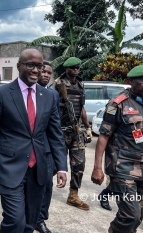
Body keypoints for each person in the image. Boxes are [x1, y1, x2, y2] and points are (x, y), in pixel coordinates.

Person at [0, 49, 67, 233]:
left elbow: (55, 134)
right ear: (19, 66)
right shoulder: (2, 94)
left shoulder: (49, 96)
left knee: (30, 222)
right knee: (15, 220)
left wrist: (62, 166)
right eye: (31, 65)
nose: (36, 70)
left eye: (39, 66)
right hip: (9, 167)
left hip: (38, 169)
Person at [91, 64, 143, 233]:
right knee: (131, 215)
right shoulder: (116, 104)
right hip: (122, 168)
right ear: (130, 81)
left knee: (138, 216)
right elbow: (104, 136)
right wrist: (97, 167)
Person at [55, 57, 92, 211]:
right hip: (60, 130)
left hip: (76, 131)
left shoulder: (81, 84)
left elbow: (82, 108)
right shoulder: (58, 84)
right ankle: (38, 190)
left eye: (78, 67)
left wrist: (87, 127)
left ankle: (73, 195)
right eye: (73, 67)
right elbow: (51, 105)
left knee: (79, 164)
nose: (76, 69)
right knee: (53, 165)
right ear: (66, 69)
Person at [35, 61, 55, 233]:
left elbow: (55, 129)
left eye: (49, 72)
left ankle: (40, 219)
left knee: (47, 186)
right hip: (26, 149)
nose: (46, 75)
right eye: (43, 71)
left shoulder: (53, 95)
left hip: (46, 149)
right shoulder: (26, 93)